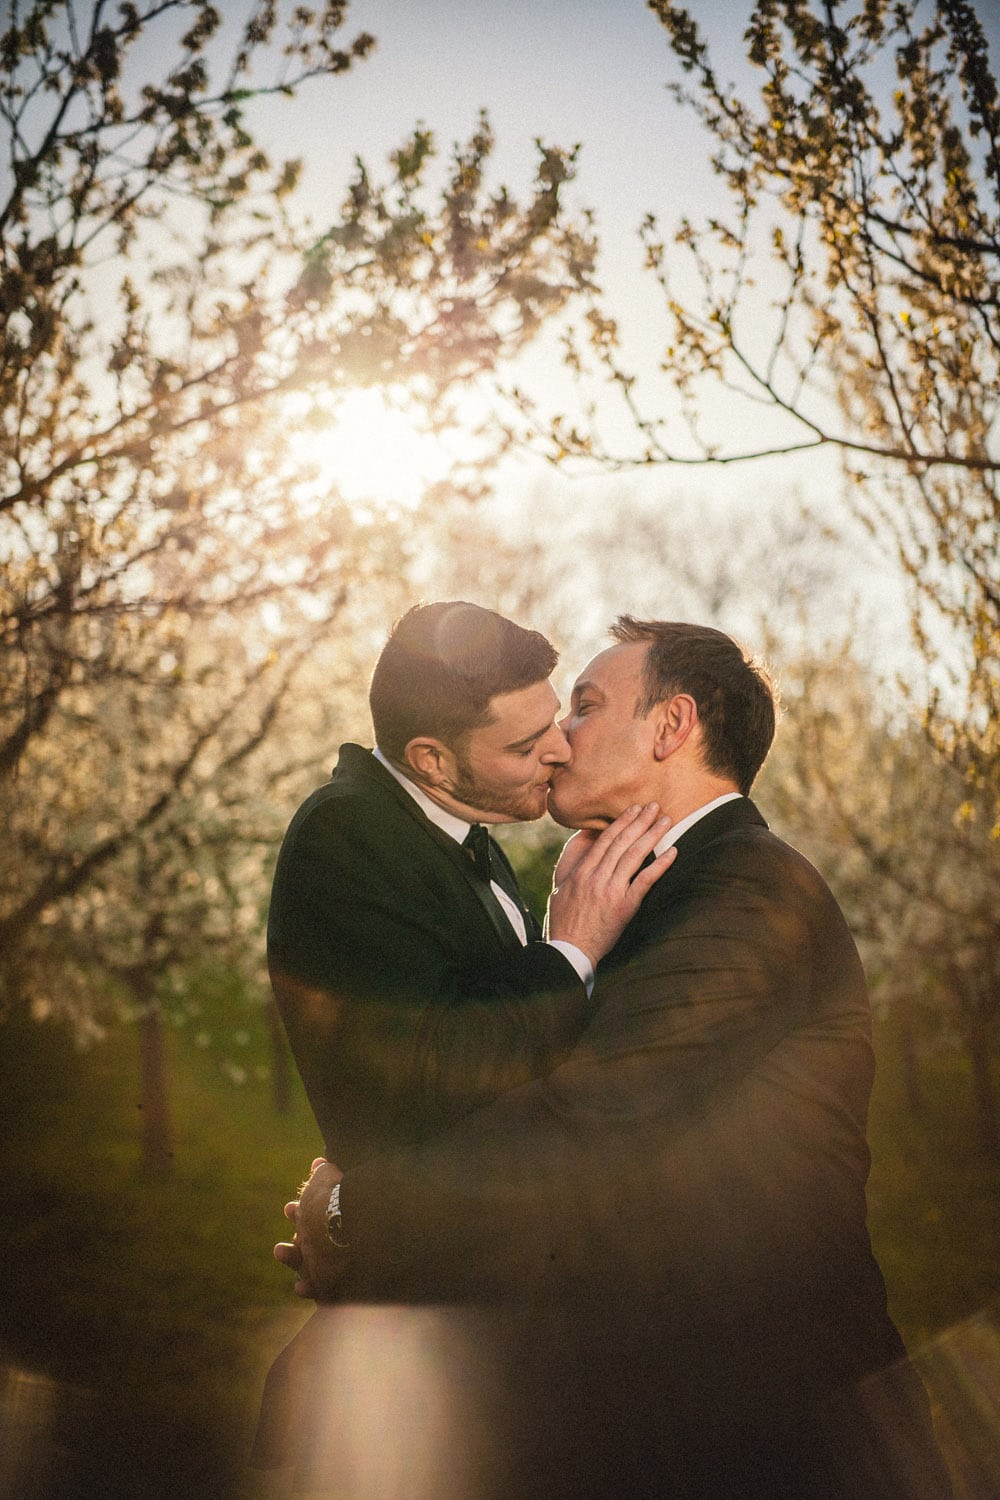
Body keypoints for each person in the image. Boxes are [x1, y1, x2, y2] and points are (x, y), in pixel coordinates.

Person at [283, 617, 953, 1500]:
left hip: (785, 1430)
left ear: (672, 727)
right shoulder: (641, 889)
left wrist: (357, 1219)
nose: (562, 741)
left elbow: (589, 1122)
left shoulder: (752, 892)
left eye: (588, 707)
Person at [253, 601, 673, 1493]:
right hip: (422, 1341)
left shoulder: (460, 836)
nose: (558, 751)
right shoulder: (347, 835)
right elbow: (434, 1068)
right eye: (525, 748)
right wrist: (571, 951)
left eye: (554, 722)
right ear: (431, 761)